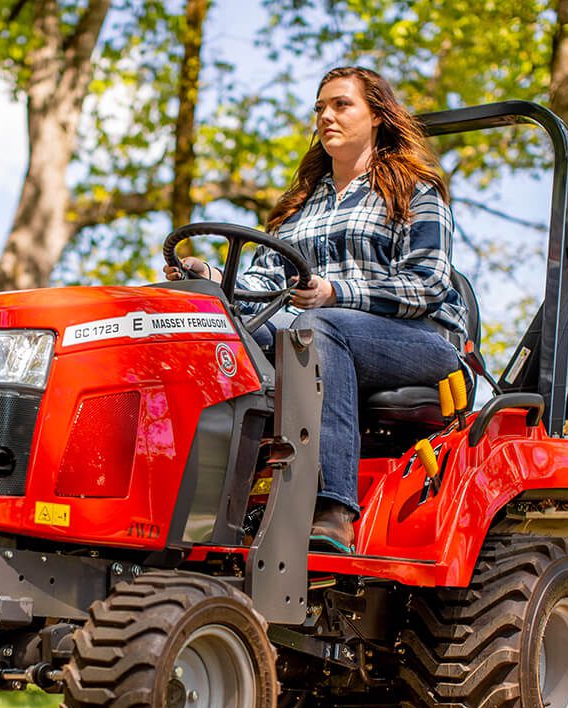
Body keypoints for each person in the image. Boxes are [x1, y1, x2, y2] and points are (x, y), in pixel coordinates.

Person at [164, 66, 466, 553]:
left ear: (377, 116)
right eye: (320, 108)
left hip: (422, 341)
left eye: (341, 104)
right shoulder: (300, 204)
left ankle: (334, 508)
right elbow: (268, 284)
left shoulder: (415, 191)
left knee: (319, 327)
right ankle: (199, 508)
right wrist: (217, 281)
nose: (326, 115)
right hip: (319, 327)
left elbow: (427, 284)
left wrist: (334, 293)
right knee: (211, 327)